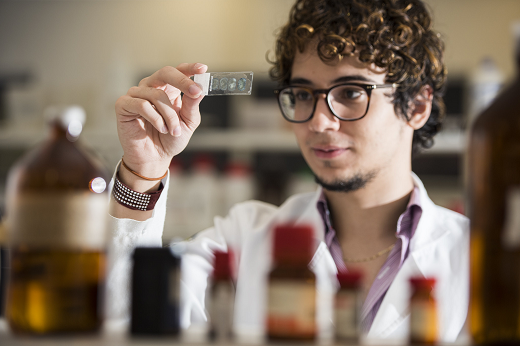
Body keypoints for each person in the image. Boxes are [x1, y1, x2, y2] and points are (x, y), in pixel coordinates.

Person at [106, 0, 469, 343]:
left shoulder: (473, 257)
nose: (320, 121)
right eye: (304, 94)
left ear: (417, 106)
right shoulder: (243, 240)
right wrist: (143, 171)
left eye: (351, 93)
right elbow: (126, 324)